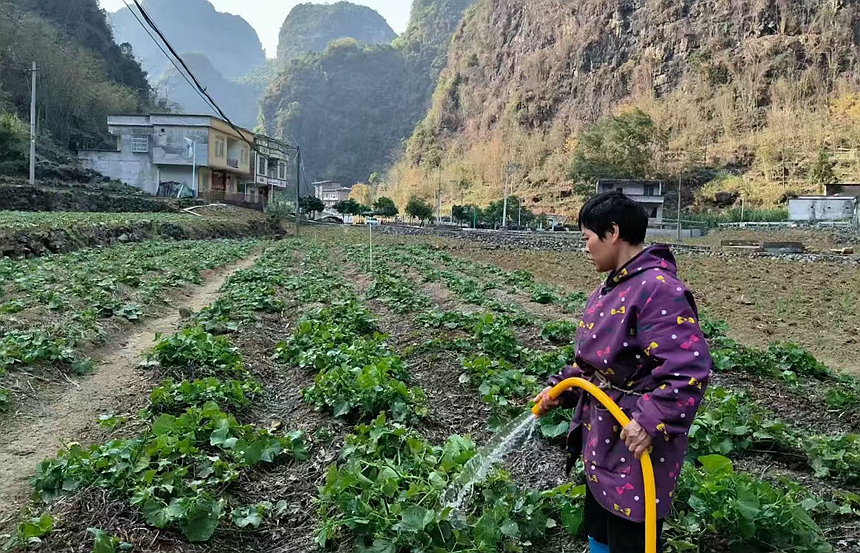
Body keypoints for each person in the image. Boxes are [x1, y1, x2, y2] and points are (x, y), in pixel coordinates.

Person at [535, 191, 712, 553]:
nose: (585, 248)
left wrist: (650, 422)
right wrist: (561, 388)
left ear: (612, 232)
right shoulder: (609, 288)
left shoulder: (657, 290)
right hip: (601, 431)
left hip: (633, 439)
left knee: (631, 532)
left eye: (587, 237)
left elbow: (686, 369)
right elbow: (593, 363)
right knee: (599, 523)